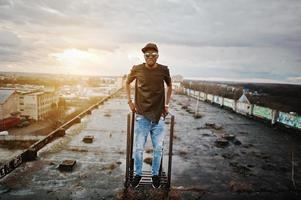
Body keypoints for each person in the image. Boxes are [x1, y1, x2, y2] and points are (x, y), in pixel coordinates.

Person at [125, 43, 172, 188]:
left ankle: (155, 175)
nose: (150, 57)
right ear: (144, 56)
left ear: (157, 56)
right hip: (142, 116)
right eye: (147, 55)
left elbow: (170, 85)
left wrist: (167, 104)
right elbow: (126, 83)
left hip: (159, 117)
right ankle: (138, 173)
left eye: (153, 55)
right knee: (139, 148)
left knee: (158, 148)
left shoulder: (163, 70)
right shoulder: (137, 69)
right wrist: (129, 101)